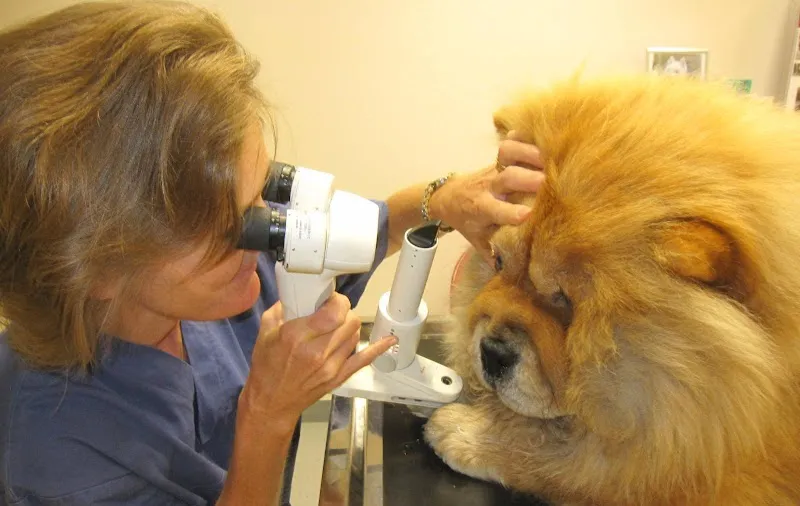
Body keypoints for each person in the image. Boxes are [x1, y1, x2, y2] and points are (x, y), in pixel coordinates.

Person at [0, 2, 544, 505]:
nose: (269, 229)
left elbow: (369, 227)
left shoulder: (208, 280)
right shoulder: (56, 451)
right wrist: (267, 415)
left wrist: (442, 200)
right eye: (233, 221)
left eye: (265, 190)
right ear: (98, 265)